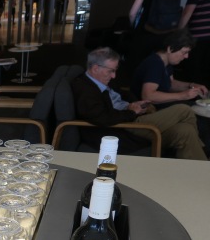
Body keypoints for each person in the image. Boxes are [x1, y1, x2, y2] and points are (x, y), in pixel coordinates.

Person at [71, 47, 207, 161]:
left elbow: (122, 96)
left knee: (185, 131)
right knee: (184, 109)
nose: (114, 76)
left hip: (131, 118)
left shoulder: (102, 80)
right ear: (95, 68)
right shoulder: (85, 89)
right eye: (111, 71)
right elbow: (101, 117)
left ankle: (199, 176)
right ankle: (203, 152)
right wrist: (131, 112)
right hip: (125, 128)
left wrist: (134, 104)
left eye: (115, 70)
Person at [131, 30, 208, 109]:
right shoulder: (155, 64)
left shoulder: (166, 62)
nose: (186, 56)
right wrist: (182, 96)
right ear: (170, 49)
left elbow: (170, 84)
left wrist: (191, 85)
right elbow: (148, 96)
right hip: (149, 110)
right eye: (184, 52)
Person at [178, 0, 210, 88]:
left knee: (194, 74)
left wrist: (177, 33)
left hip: (197, 39)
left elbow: (187, 13)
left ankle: (196, 99)